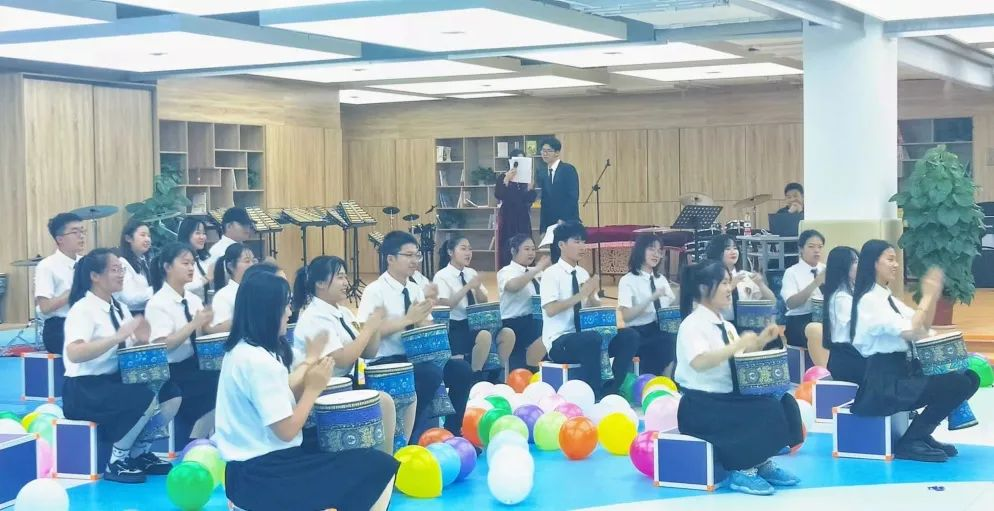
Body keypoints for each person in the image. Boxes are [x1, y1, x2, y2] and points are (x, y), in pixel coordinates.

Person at [214, 269, 399, 511]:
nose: (289, 312)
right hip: (267, 477)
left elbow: (278, 392)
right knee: (378, 465)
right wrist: (313, 389)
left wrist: (310, 362)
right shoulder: (258, 361)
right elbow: (286, 431)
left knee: (344, 448)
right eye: (285, 305)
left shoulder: (241, 350)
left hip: (243, 476)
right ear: (268, 311)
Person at [675, 260, 803, 496]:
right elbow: (700, 362)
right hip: (702, 405)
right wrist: (736, 346)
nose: (729, 288)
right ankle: (741, 469)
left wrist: (762, 340)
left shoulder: (726, 325)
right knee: (761, 411)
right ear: (704, 288)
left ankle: (760, 461)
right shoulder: (692, 325)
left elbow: (739, 358)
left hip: (727, 398)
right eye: (724, 283)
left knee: (783, 402)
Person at [850, 240, 979, 462]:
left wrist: (933, 296)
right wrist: (927, 296)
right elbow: (910, 331)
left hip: (904, 373)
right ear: (873, 263)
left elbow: (922, 327)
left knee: (969, 378)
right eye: (890, 259)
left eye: (896, 260)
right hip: (884, 382)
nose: (896, 265)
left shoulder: (887, 297)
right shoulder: (869, 300)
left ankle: (920, 433)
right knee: (955, 383)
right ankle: (911, 442)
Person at [62, 249, 178, 483]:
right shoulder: (82, 309)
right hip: (84, 388)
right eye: (115, 269)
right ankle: (117, 460)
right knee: (142, 396)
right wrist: (116, 337)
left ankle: (139, 452)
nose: (121, 274)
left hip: (113, 380)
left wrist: (143, 340)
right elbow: (74, 353)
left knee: (171, 393)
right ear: (95, 276)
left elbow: (128, 350)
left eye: (122, 269)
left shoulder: (120, 308)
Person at [358, 231, 474, 439]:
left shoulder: (415, 289)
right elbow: (367, 333)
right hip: (387, 361)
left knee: (461, 370)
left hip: (416, 358)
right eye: (408, 255)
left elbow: (424, 326)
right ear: (390, 258)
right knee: (429, 374)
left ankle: (452, 432)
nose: (414, 261)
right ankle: (409, 435)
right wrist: (407, 319)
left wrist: (426, 320)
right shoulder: (375, 291)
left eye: (416, 255)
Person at [291, 255, 406, 452]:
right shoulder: (314, 317)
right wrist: (368, 330)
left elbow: (369, 353)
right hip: (324, 391)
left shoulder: (344, 312)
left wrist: (374, 328)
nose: (346, 283)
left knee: (398, 394)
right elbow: (343, 359)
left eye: (346, 277)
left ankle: (395, 451)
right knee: (384, 402)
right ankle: (385, 460)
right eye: (340, 277)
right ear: (320, 283)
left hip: (347, 384)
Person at [540, 221, 638, 399]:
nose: (582, 246)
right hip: (559, 341)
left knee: (629, 336)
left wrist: (592, 296)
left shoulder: (583, 273)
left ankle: (611, 388)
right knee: (591, 339)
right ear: (561, 245)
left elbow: (593, 310)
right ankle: (594, 393)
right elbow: (551, 309)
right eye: (576, 242)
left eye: (583, 242)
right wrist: (581, 294)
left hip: (589, 339)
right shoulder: (551, 274)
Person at [145, 242, 217, 441]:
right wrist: (194, 324)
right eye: (185, 263)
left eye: (193, 263)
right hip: (170, 370)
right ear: (167, 267)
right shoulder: (158, 303)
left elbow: (199, 336)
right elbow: (163, 346)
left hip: (193, 364)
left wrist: (207, 325)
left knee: (223, 380)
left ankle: (197, 439)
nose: (191, 268)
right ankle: (190, 441)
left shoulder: (193, 300)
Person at [434, 235, 515, 380]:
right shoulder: (442, 276)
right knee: (484, 335)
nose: (468, 253)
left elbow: (483, 300)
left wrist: (476, 288)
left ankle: (495, 374)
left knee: (507, 334)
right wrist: (468, 287)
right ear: (451, 252)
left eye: (470, 249)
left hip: (476, 323)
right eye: (463, 249)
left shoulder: (471, 272)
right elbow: (446, 305)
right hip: (456, 326)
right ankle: (475, 376)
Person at [618, 234, 677, 377]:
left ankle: (669, 382)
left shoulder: (661, 279)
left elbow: (670, 306)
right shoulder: (628, 280)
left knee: (675, 338)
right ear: (640, 250)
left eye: (659, 251)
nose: (656, 254)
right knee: (665, 341)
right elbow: (626, 316)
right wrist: (651, 298)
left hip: (661, 328)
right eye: (651, 249)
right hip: (638, 332)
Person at [497, 234, 550, 372]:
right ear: (513, 251)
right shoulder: (506, 272)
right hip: (514, 322)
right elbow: (513, 286)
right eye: (526, 249)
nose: (531, 253)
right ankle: (530, 367)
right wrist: (537, 269)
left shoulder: (536, 272)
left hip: (534, 320)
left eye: (533, 249)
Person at [36, 212, 85, 354]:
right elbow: (45, 307)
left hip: (85, 322)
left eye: (82, 231)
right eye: (75, 232)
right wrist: (74, 291)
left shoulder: (85, 262)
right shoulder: (47, 266)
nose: (81, 236)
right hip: (59, 328)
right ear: (60, 239)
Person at [704, 234, 775, 331]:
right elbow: (708, 303)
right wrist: (731, 286)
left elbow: (772, 300)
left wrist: (761, 285)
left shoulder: (746, 276)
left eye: (735, 248)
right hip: (719, 326)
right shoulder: (709, 277)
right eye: (728, 249)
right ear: (717, 252)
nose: (733, 252)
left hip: (747, 326)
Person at [815, 246, 863, 382]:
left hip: (853, 355)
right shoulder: (841, 298)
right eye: (855, 262)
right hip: (849, 360)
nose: (860, 266)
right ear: (842, 267)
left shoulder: (852, 292)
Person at [780, 230, 825, 349]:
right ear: (801, 249)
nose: (817, 250)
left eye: (820, 247)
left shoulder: (825, 269)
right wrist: (815, 283)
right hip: (799, 319)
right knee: (818, 332)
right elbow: (791, 303)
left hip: (824, 317)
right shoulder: (792, 272)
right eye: (811, 246)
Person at [495, 149, 538, 266]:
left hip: (523, 216)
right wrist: (506, 179)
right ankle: (507, 268)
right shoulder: (503, 176)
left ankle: (527, 268)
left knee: (525, 242)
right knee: (508, 243)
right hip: (508, 216)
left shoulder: (526, 179)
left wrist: (530, 188)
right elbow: (499, 195)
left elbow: (530, 199)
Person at [204, 243, 257, 334]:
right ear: (231, 266)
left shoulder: (258, 289)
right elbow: (219, 329)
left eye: (254, 261)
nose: (252, 265)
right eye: (247, 261)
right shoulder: (223, 295)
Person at [538, 138, 580, 232]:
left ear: (557, 153)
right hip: (550, 223)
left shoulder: (568, 169)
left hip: (567, 221)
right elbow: (544, 201)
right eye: (543, 150)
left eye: (548, 151)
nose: (545, 154)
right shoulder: (542, 172)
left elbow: (573, 197)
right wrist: (543, 228)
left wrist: (564, 219)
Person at [116, 219, 154, 315]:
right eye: (143, 235)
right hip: (131, 315)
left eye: (149, 236)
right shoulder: (122, 263)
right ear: (128, 238)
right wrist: (157, 288)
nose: (147, 239)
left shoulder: (144, 260)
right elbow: (129, 298)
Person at [206, 207, 254, 271]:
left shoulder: (243, 247)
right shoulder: (218, 251)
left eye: (249, 224)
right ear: (229, 226)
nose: (247, 227)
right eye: (243, 224)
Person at [177, 217, 211, 302]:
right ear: (186, 234)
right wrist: (206, 279)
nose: (202, 237)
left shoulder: (204, 259)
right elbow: (181, 287)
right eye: (198, 233)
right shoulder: (178, 260)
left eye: (204, 233)